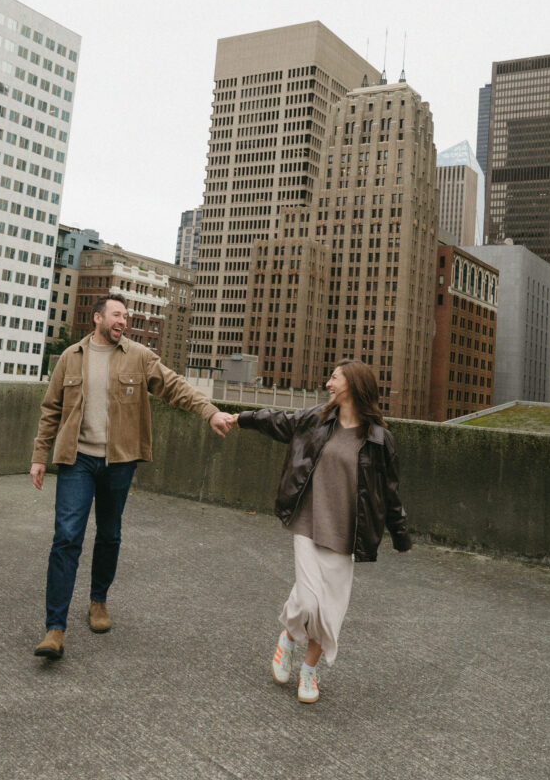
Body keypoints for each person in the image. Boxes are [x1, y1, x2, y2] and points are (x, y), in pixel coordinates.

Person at [30, 293, 236, 660]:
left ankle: (98, 601)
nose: (123, 320)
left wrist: (210, 412)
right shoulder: (70, 358)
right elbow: (51, 409)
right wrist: (39, 457)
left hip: (118, 462)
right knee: (66, 538)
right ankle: (55, 629)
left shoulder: (139, 357)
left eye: (126, 316)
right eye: (116, 314)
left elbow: (174, 387)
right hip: (76, 460)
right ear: (97, 318)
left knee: (109, 535)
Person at [233, 359, 411, 703]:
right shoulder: (317, 419)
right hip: (308, 522)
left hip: (346, 533)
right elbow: (279, 421)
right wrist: (241, 419)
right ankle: (288, 640)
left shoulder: (378, 439)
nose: (328, 383)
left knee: (329, 612)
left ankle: (309, 673)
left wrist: (400, 532)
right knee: (310, 602)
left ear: (353, 385)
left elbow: (390, 490)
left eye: (334, 377)